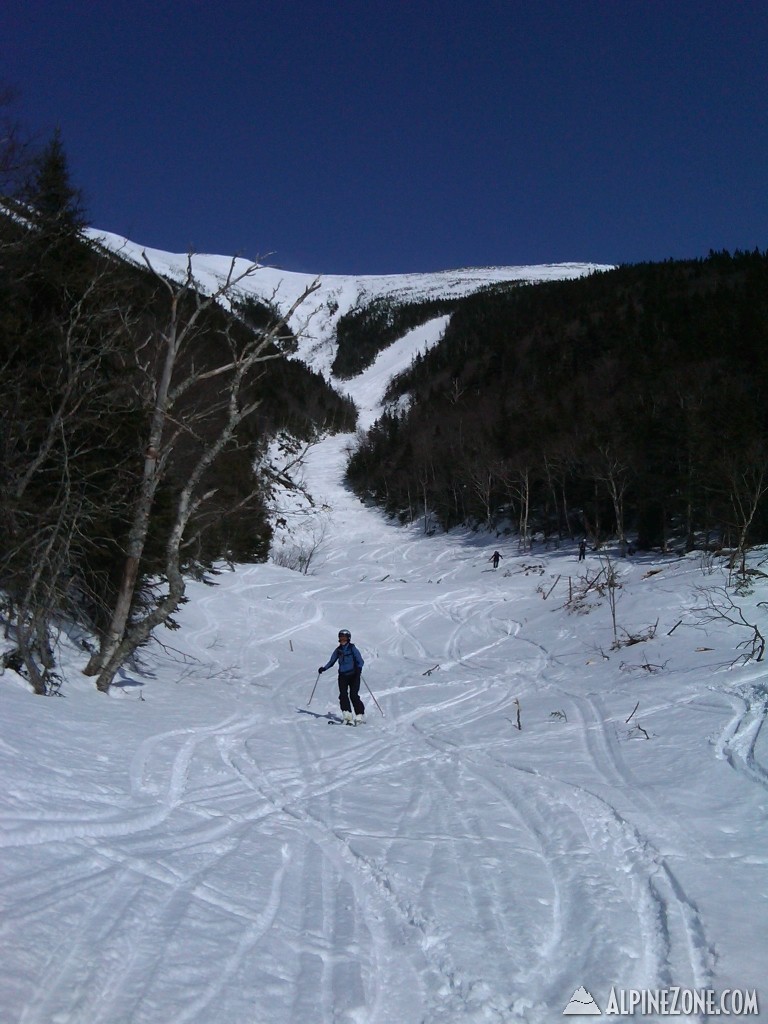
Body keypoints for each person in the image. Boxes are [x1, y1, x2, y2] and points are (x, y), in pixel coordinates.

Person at [318, 628, 365, 724]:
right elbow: (332, 661)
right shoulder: (338, 650)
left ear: (348, 639)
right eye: (341, 638)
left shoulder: (352, 649)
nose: (342, 640)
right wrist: (324, 668)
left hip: (354, 675)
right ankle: (347, 715)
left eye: (344, 638)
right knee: (343, 695)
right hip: (343, 675)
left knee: (353, 695)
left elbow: (360, 661)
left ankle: (360, 715)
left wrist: (358, 670)